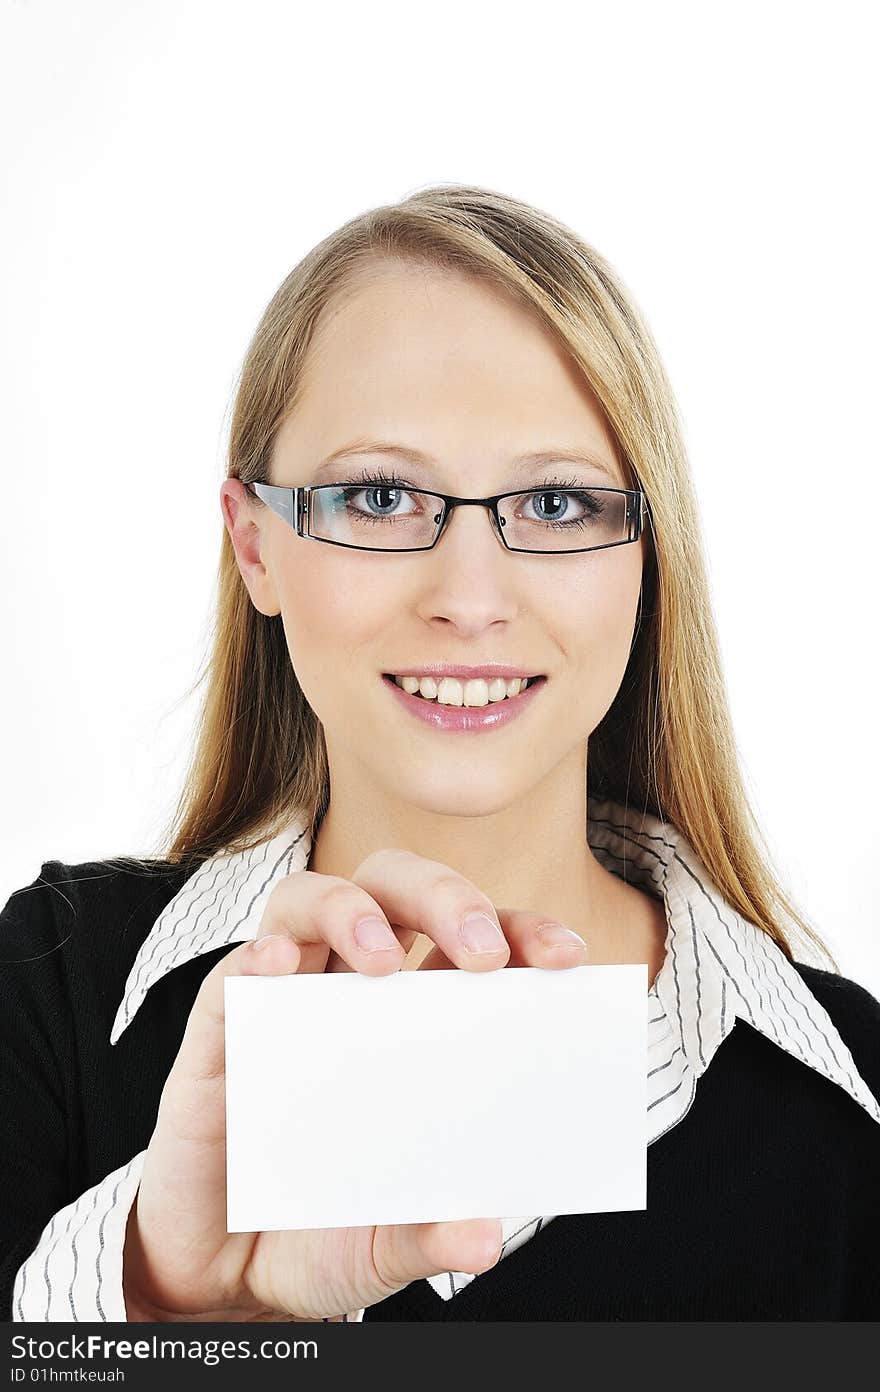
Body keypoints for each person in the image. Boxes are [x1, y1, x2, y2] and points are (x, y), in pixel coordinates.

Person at [2, 184, 879, 1324]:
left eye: (558, 504)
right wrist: (163, 1303)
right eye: (378, 495)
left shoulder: (853, 1117)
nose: (470, 600)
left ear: (645, 562)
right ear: (254, 547)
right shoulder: (54, 996)